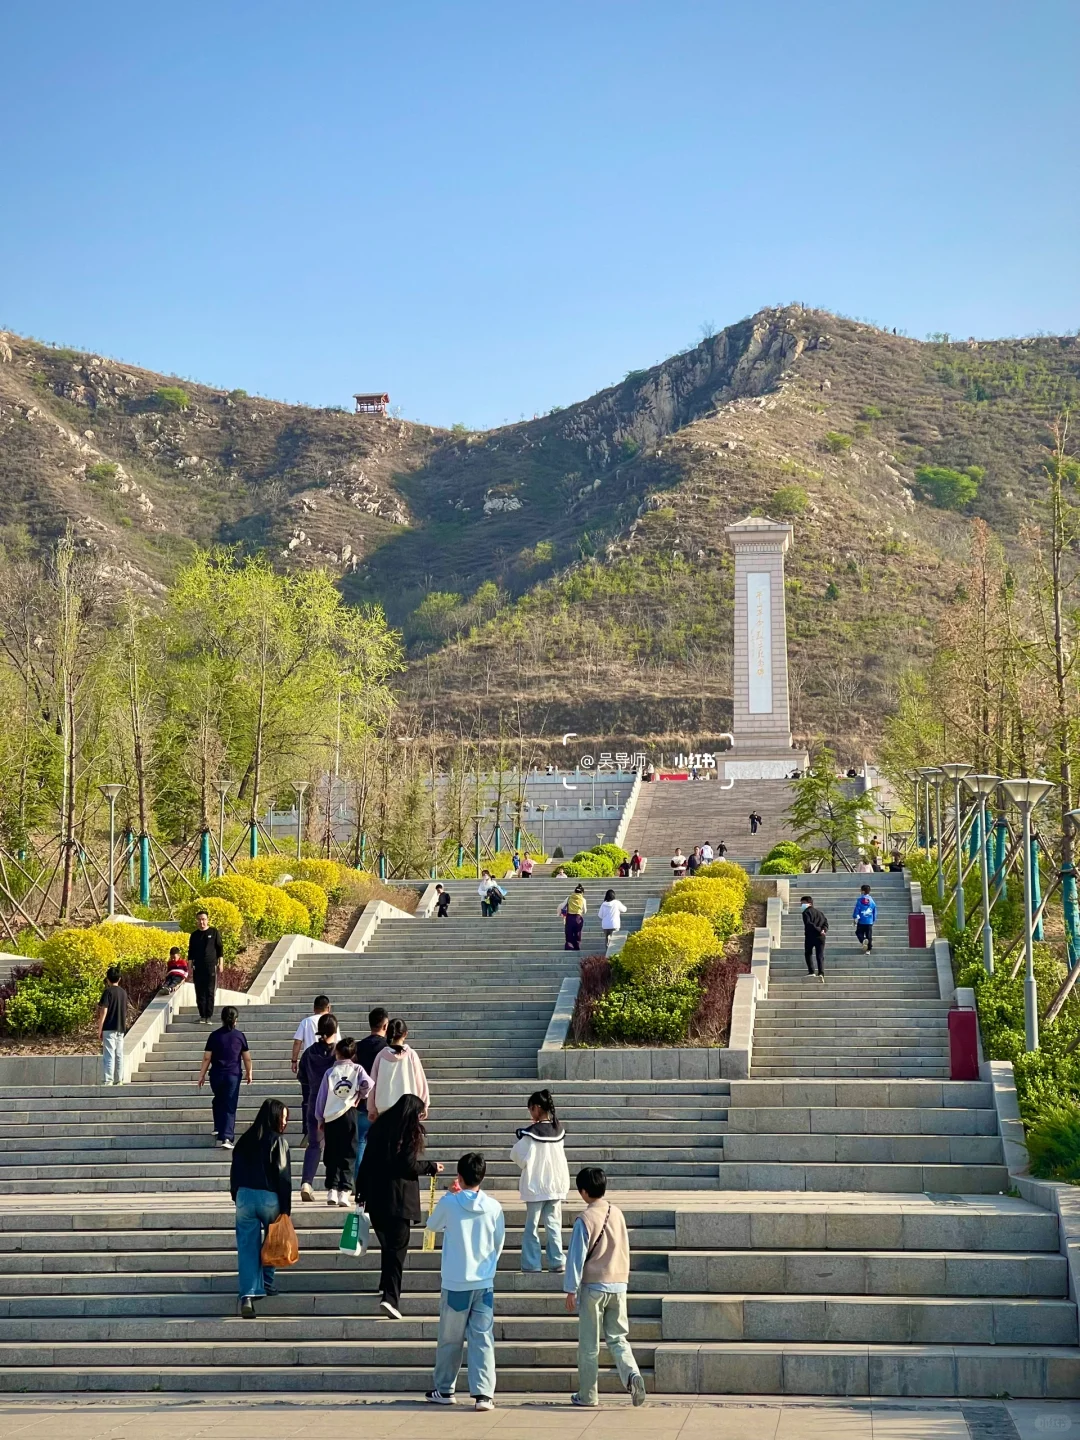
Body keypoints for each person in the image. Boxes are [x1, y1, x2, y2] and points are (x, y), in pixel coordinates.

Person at [425, 1152, 505, 1410]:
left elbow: (432, 1225)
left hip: (455, 1280)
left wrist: (449, 1195)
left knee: (450, 1338)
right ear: (482, 1177)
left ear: (459, 1177)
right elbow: (498, 1243)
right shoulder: (493, 1207)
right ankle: (484, 1394)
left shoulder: (451, 1203)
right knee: (482, 1338)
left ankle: (445, 1388)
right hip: (483, 1282)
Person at [564, 1165, 646, 1409]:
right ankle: (632, 1374)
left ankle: (588, 1395)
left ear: (584, 1191)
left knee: (589, 1345)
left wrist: (570, 1288)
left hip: (594, 1287)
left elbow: (576, 1258)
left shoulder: (585, 1219)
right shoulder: (617, 1213)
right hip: (618, 1284)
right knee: (618, 1338)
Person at [356, 1093, 443, 1320]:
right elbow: (408, 1164)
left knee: (389, 1246)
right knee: (398, 1250)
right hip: (399, 1199)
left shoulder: (378, 1129)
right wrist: (430, 1166)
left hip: (376, 1199)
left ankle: (385, 1286)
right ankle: (391, 1298)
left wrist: (361, 1192)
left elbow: (365, 1163)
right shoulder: (407, 1131)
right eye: (419, 1114)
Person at [230, 1097, 291, 1319]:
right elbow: (283, 1176)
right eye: (283, 1118)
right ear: (275, 1117)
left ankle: (247, 1295)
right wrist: (286, 1208)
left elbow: (234, 1171)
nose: (285, 1123)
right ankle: (268, 1282)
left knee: (247, 1247)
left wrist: (236, 1194)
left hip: (244, 1197)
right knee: (272, 1239)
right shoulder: (279, 1141)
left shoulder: (245, 1140)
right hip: (270, 1197)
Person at [511, 1089, 569, 1274]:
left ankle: (532, 1264)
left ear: (536, 1108)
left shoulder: (531, 1135)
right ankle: (557, 1261)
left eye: (531, 1109)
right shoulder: (558, 1130)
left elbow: (516, 1155)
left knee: (532, 1226)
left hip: (536, 1185)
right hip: (556, 1185)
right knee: (553, 1224)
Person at [314, 1037, 371, 1207]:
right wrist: (360, 1096)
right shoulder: (357, 1069)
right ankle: (344, 1192)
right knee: (349, 1152)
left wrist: (319, 1118)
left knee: (332, 1153)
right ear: (353, 1054)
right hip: (350, 1114)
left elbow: (321, 1097)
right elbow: (368, 1084)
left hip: (331, 1117)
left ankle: (331, 1189)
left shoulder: (330, 1072)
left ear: (337, 1053)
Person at [297, 1011, 339, 1201]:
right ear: (335, 1030)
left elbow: (302, 1078)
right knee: (334, 1145)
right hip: (334, 1102)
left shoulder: (309, 1053)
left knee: (314, 1144)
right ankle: (334, 1187)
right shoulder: (338, 1053)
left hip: (314, 1100)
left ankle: (307, 1182)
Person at [198, 1006, 252, 1148]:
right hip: (232, 1075)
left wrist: (201, 1075)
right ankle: (226, 1138)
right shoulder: (239, 1036)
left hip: (216, 1075)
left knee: (219, 1100)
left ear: (221, 1019)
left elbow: (206, 1058)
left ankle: (218, 1127)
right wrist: (249, 1072)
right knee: (229, 1104)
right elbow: (247, 1058)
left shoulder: (214, 1036)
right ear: (236, 1020)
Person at [368, 1018, 430, 1122]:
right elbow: (420, 1082)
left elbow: (372, 1084)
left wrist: (371, 1109)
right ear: (405, 1034)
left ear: (387, 1033)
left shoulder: (381, 1055)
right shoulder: (411, 1055)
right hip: (408, 1108)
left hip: (385, 1108)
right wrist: (424, 1104)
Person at [355, 1007, 390, 1175]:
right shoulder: (388, 1049)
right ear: (385, 1025)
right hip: (383, 1101)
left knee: (361, 1141)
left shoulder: (359, 1047)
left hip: (362, 1101)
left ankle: (358, 1181)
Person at [95, 965, 129, 1086]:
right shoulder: (123, 993)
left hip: (109, 1027)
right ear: (119, 979)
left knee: (109, 1054)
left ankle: (108, 1080)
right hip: (120, 1027)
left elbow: (103, 1011)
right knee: (119, 1054)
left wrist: (100, 1028)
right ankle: (119, 1079)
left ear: (108, 979)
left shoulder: (107, 992)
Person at [188, 910, 224, 1023]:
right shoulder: (194, 935)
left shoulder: (213, 932)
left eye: (203, 919)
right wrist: (189, 964)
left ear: (207, 920)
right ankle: (202, 1015)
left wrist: (221, 963)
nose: (201, 922)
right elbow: (191, 951)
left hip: (210, 966)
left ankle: (209, 1016)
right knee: (199, 991)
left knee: (209, 991)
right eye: (199, 919)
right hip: (198, 967)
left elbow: (220, 949)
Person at [292, 995, 332, 1075]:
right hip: (327, 1059)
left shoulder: (306, 1022)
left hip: (310, 1059)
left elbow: (297, 1042)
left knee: (309, 1084)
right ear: (328, 1007)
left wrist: (294, 1060)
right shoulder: (331, 1022)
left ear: (314, 1008)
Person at [800, 894, 829, 984]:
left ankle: (811, 971)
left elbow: (808, 924)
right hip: (821, 937)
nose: (801, 905)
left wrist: (819, 930)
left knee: (808, 953)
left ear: (809, 903)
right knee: (820, 955)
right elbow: (826, 923)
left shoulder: (806, 912)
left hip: (811, 936)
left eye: (802, 903)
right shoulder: (820, 913)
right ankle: (821, 973)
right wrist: (824, 930)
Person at [561, 885, 587, 951]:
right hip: (578, 917)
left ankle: (569, 946)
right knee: (577, 933)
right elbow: (585, 910)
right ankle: (577, 946)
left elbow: (562, 906)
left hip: (569, 917)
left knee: (569, 933)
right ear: (582, 892)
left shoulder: (569, 898)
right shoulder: (583, 899)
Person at [853, 885, 877, 953]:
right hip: (869, 921)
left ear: (863, 891)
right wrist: (873, 919)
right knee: (869, 935)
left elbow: (857, 909)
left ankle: (863, 940)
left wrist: (855, 917)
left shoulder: (860, 900)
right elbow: (874, 911)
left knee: (858, 932)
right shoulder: (872, 901)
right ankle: (869, 949)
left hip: (861, 921)